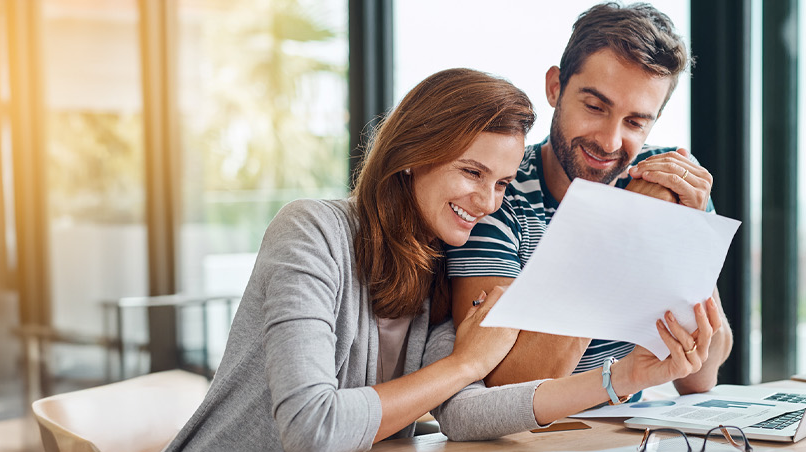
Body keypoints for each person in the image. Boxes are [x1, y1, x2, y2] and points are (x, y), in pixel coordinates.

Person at [164, 68, 728, 452]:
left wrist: (622, 378)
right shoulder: (310, 231)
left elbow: (462, 415)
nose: (486, 203)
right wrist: (464, 364)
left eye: (503, 182)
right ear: (412, 156)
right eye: (471, 171)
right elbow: (314, 427)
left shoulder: (437, 263)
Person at [447, 2, 731, 394]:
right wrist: (621, 229)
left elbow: (699, 377)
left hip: (632, 430)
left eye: (635, 122)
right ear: (555, 87)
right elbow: (501, 384)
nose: (610, 141)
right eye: (595, 107)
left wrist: (688, 232)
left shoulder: (668, 180)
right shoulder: (497, 194)